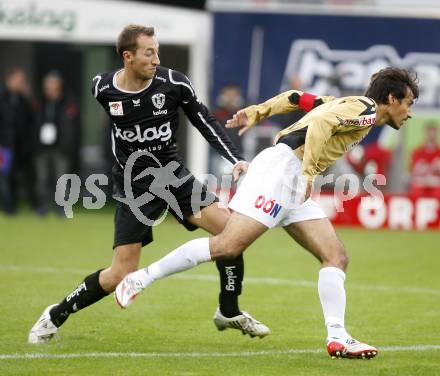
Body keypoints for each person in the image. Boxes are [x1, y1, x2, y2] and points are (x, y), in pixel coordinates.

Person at [115, 67, 419, 359]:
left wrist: (259, 111)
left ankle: (338, 336)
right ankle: (140, 279)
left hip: (290, 173)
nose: (409, 112)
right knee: (227, 245)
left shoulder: (348, 105)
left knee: (336, 256)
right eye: (408, 103)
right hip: (284, 171)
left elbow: (297, 98)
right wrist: (309, 172)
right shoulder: (364, 111)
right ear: (391, 99)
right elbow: (319, 125)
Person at [28, 25, 269, 344]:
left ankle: (228, 309)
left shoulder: (174, 83)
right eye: (149, 52)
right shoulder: (102, 87)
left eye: (157, 51)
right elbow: (117, 132)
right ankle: (55, 314)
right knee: (120, 275)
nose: (157, 59)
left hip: (172, 175)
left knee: (231, 235)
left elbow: (205, 121)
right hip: (134, 186)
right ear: (127, 57)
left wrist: (235, 158)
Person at [34, 71, 79, 216]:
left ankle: (61, 208)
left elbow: (73, 127)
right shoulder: (39, 102)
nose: (49, 88)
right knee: (42, 178)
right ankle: (42, 206)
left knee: (61, 179)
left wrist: (67, 146)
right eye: (47, 85)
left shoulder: (67, 103)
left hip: (61, 148)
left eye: (52, 85)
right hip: (42, 148)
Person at [0, 67, 35, 215]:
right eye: (19, 79)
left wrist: (28, 97)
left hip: (19, 146)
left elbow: (31, 120)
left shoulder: (23, 100)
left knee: (14, 177)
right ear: (9, 80)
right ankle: (8, 207)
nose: (21, 82)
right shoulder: (2, 97)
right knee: (5, 177)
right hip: (3, 146)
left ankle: (12, 205)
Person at [409, 122, 440, 197]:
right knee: (417, 187)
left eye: (433, 132)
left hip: (436, 183)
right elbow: (414, 171)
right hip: (421, 183)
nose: (431, 135)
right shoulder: (417, 152)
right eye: (429, 132)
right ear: (425, 133)